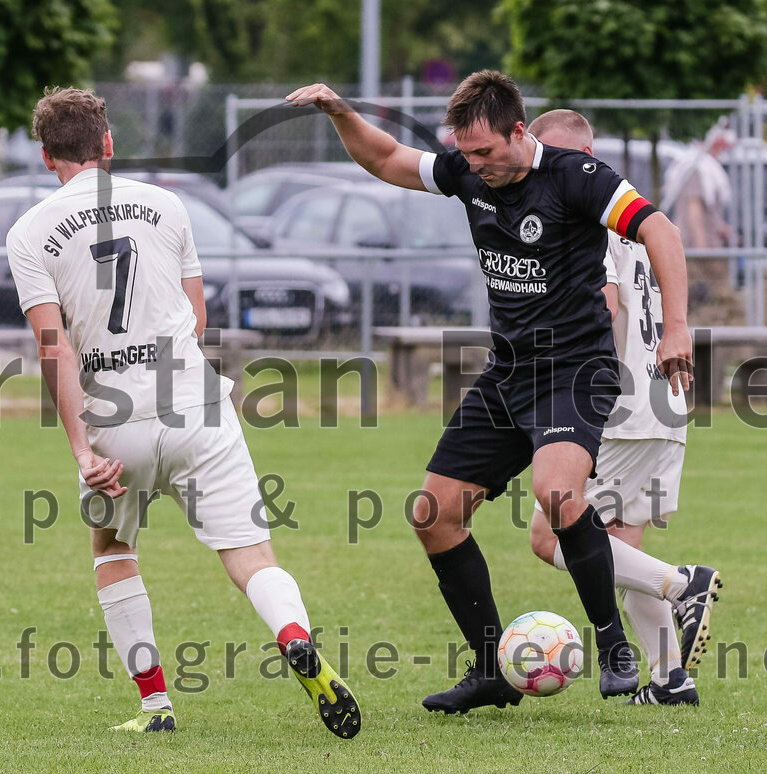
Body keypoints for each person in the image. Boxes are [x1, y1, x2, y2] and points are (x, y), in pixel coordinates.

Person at [288, 71, 694, 713]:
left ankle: (614, 645)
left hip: (575, 368)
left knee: (558, 493)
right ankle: (491, 671)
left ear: (519, 132)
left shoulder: (577, 178)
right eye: (465, 154)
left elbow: (660, 231)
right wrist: (339, 112)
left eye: (485, 153)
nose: (474, 166)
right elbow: (388, 158)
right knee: (432, 514)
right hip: (508, 373)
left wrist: (677, 329)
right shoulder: (470, 172)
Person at [6, 87, 360, 738]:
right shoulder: (168, 205)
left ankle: (155, 707)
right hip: (196, 405)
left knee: (113, 549)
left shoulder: (29, 231)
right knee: (252, 555)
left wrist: (84, 450)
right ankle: (292, 633)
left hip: (114, 421)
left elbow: (52, 346)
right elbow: (198, 318)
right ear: (108, 145)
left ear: (45, 153)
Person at [527, 110, 721, 706]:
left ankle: (683, 583)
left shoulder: (586, 213)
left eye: (555, 153)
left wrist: (576, 387)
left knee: (547, 533)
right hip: (666, 406)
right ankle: (669, 680)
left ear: (583, 153)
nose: (547, 166)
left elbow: (606, 308)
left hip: (619, 404)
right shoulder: (630, 210)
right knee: (620, 544)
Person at [661, 127, 733, 251]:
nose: (720, 153)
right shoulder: (696, 171)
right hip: (696, 246)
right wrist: (701, 250)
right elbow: (694, 214)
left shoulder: (705, 171)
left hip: (706, 244)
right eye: (718, 148)